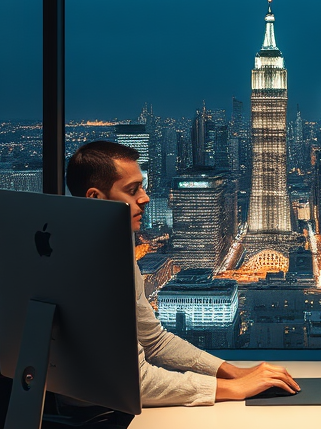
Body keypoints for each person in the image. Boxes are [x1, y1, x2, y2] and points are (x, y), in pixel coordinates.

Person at [65, 140, 300, 406]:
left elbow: (154, 342)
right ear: (95, 198)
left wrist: (234, 372)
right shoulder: (81, 268)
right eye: (133, 190)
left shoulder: (118, 250)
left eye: (142, 186)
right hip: (91, 415)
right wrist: (233, 388)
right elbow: (135, 380)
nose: (145, 197)